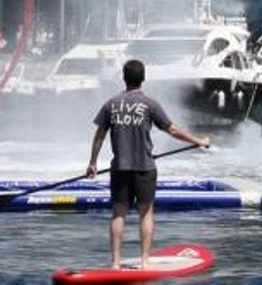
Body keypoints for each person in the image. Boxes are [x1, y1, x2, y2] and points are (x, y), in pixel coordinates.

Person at [86, 59, 210, 270]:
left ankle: (115, 263)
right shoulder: (150, 104)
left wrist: (92, 163)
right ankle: (144, 262)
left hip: (120, 168)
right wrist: (198, 141)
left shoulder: (111, 104)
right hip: (144, 167)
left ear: (124, 78)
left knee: (118, 213)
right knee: (146, 213)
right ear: (143, 78)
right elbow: (172, 129)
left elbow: (99, 135)